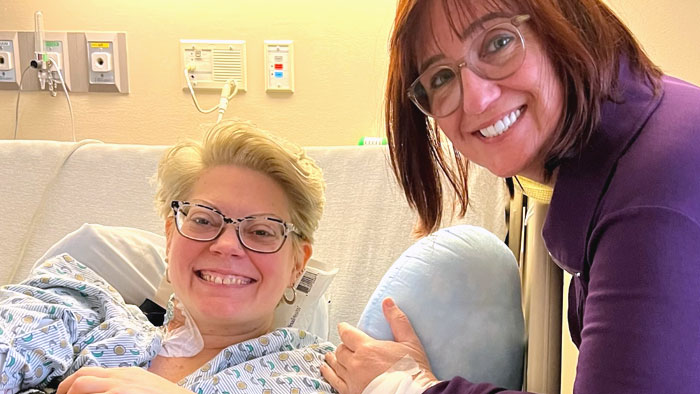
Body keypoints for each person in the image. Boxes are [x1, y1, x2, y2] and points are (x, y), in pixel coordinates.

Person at [321, 0, 700, 393]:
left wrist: (405, 386)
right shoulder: (652, 124)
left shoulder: (653, 199)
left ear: (566, 21)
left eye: (498, 42)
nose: (477, 101)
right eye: (440, 78)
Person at [0, 120, 336, 394]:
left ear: (297, 265)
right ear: (170, 237)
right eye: (204, 220)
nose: (227, 245)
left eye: (261, 230)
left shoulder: (325, 375)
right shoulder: (86, 313)